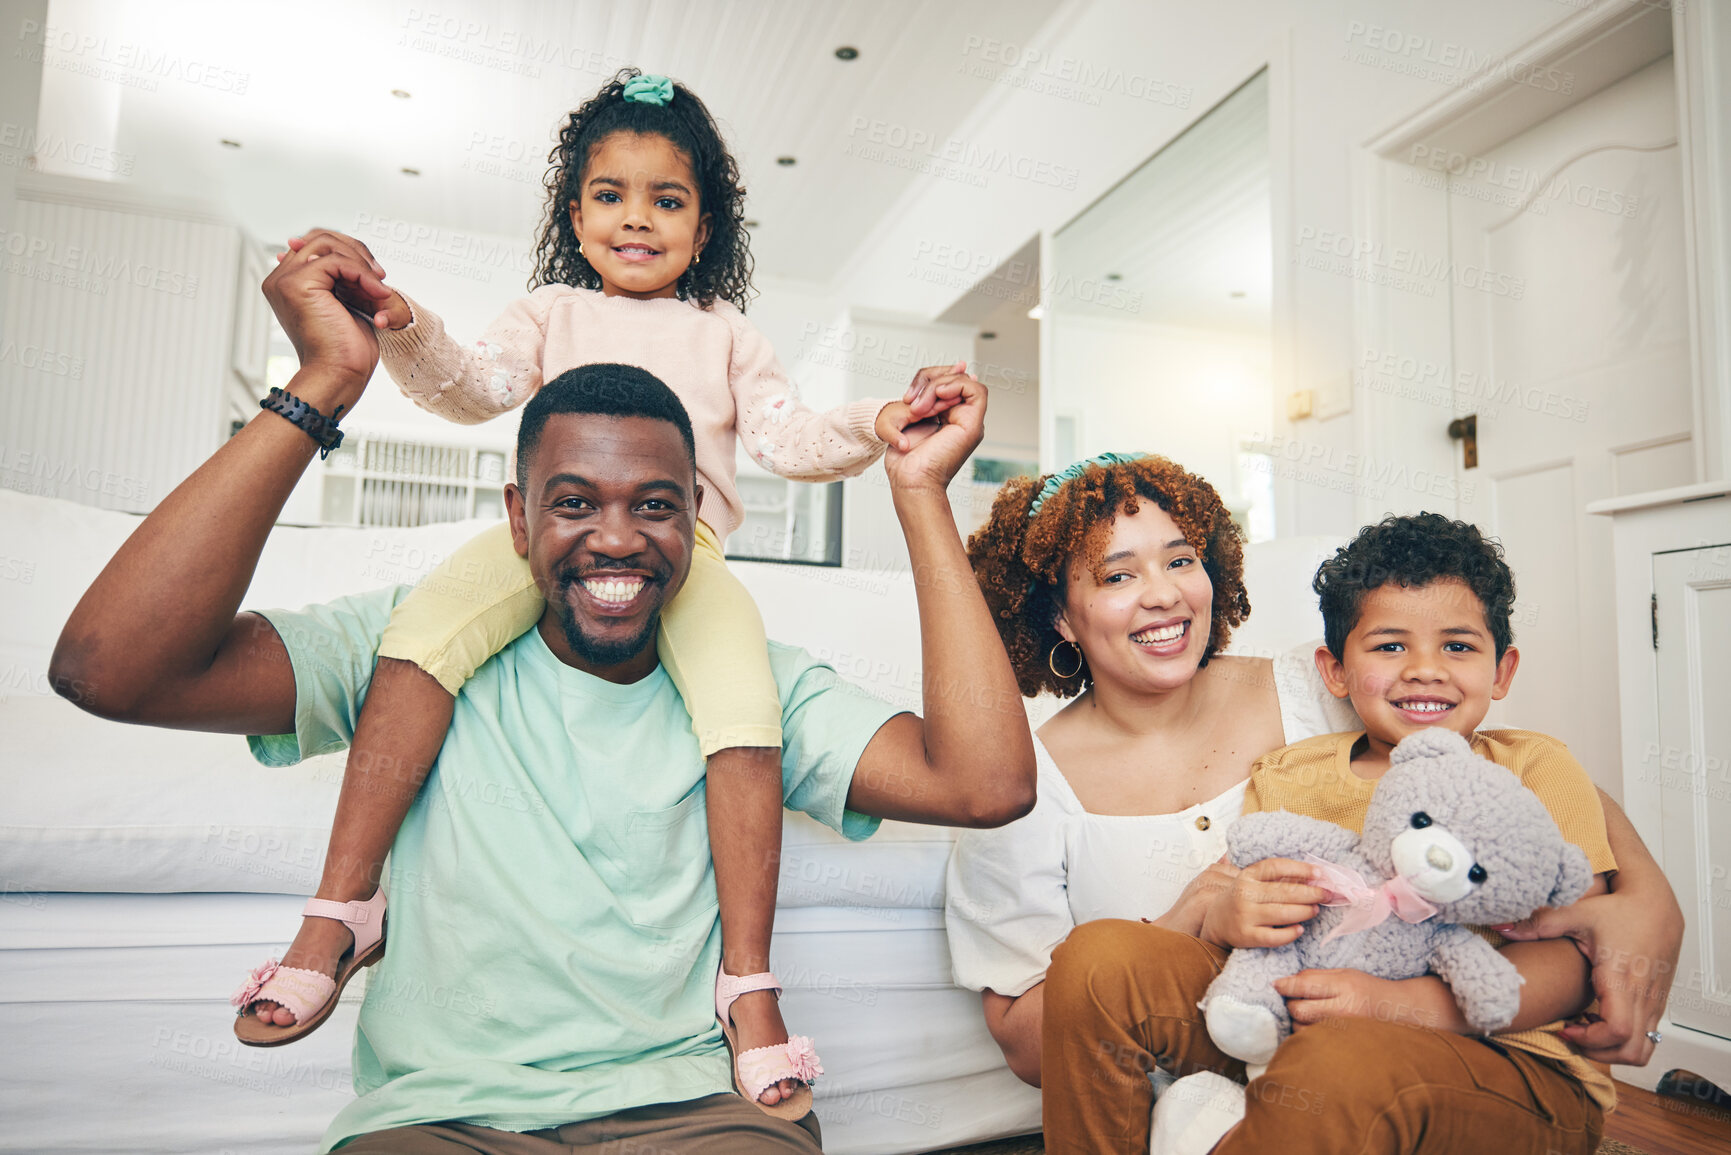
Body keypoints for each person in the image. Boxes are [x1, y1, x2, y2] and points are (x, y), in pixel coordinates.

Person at [49, 236, 1035, 1153]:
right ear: (517, 520)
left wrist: (919, 492)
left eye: (653, 504)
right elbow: (109, 667)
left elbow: (986, 785)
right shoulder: (410, 644)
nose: (614, 538)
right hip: (442, 1117)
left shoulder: (753, 687)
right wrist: (324, 383)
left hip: (694, 1113)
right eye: (574, 502)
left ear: (694, 515)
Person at [239, 68, 962, 1116]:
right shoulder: (547, 311)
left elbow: (787, 440)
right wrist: (401, 322)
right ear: (575, 216)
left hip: (687, 558)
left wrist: (877, 420)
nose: (638, 218)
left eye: (668, 200)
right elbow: (472, 389)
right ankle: (343, 906)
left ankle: (747, 984)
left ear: (704, 224)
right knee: (418, 639)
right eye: (612, 195)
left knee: (744, 715)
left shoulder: (727, 335)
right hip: (546, 546)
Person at [944, 455, 1683, 1152]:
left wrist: (1651, 901)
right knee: (1100, 955)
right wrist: (1214, 914)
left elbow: (1535, 804)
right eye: (1116, 573)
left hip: (1467, 1048)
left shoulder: (1312, 690)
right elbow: (1254, 906)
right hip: (1278, 1026)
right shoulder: (1284, 767)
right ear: (1062, 616)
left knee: (1336, 1059)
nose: (1164, 592)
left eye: (1179, 559)